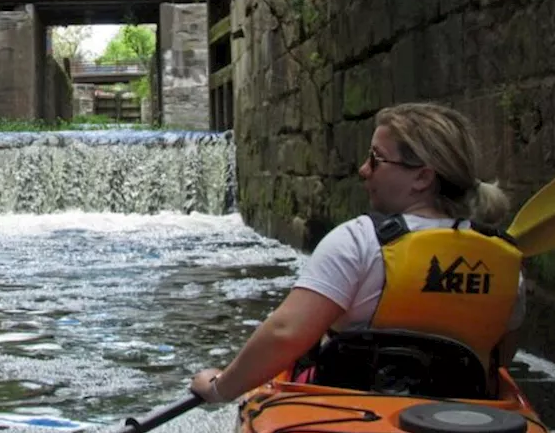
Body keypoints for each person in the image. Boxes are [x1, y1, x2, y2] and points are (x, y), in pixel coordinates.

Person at [191, 102, 522, 405]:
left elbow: (285, 334)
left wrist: (219, 388)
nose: (364, 170)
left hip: (350, 414)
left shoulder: (360, 240)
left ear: (422, 177)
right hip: (465, 420)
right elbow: (499, 360)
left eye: (376, 158)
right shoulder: (506, 264)